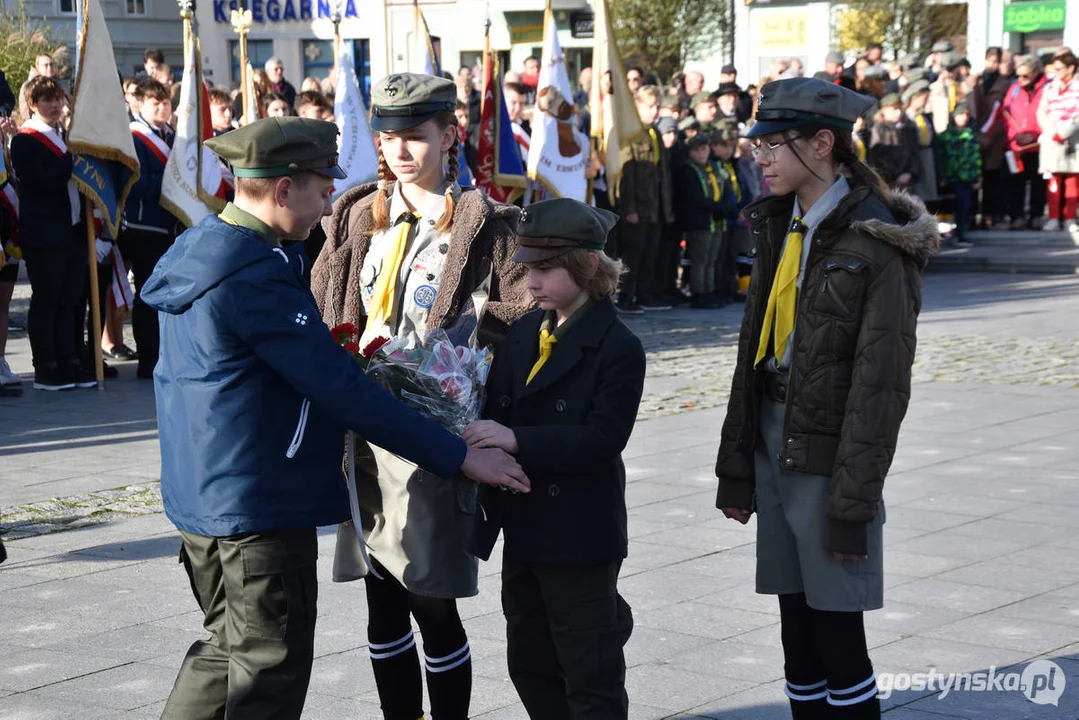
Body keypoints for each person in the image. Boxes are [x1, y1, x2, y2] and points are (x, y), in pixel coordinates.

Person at [142, 116, 527, 720]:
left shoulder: (203, 247)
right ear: (282, 189)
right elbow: (344, 391)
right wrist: (460, 456)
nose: (330, 205)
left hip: (203, 497)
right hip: (258, 509)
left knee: (225, 651)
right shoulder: (254, 276)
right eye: (323, 189)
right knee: (268, 669)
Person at [310, 73, 535, 720]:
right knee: (381, 600)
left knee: (431, 600)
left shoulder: (486, 226)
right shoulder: (356, 216)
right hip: (364, 431)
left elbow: (511, 322)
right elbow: (329, 302)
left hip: (435, 435)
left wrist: (463, 365)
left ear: (447, 136)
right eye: (388, 137)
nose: (400, 151)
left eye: (415, 136)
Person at [715, 76, 940, 720]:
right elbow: (751, 355)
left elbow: (879, 389)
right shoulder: (778, 222)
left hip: (830, 449)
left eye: (773, 145)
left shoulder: (877, 239)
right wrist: (737, 468)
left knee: (838, 634)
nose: (760, 157)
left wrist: (853, 505)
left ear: (822, 144)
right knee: (795, 630)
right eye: (757, 145)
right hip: (772, 435)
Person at [466, 197, 644, 720]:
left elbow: (602, 440)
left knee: (590, 672)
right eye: (527, 269)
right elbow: (494, 404)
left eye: (544, 270)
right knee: (530, 660)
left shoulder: (618, 345)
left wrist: (517, 440)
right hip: (524, 525)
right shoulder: (524, 330)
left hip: (579, 532)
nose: (531, 281)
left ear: (587, 267)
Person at [10, 76, 97, 391]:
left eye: (59, 99)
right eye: (47, 99)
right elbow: (41, 182)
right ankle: (45, 366)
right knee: (47, 300)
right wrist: (72, 156)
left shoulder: (65, 136)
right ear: (33, 104)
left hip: (72, 230)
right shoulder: (25, 139)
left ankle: (69, 360)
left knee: (70, 301)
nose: (56, 105)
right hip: (44, 233)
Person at [122, 77, 182, 379]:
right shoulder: (135, 137)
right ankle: (148, 356)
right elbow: (133, 184)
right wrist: (170, 179)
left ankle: (169, 352)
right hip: (145, 226)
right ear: (140, 105)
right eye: (154, 103)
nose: (161, 108)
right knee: (148, 294)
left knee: (173, 295)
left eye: (166, 102)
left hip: (174, 227)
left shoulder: (176, 136)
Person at [617, 84, 674, 313]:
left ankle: (644, 294)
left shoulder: (655, 133)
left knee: (650, 253)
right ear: (637, 105)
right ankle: (626, 296)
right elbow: (626, 174)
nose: (655, 111)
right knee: (633, 254)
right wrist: (628, 207)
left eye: (658, 106)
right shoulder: (631, 134)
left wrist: (666, 207)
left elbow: (663, 173)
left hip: (655, 205)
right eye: (650, 106)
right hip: (637, 205)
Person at [677, 133, 737, 308]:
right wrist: (720, 208)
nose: (702, 153)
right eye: (697, 149)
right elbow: (695, 197)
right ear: (691, 152)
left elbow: (726, 189)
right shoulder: (689, 170)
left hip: (717, 221)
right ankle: (699, 293)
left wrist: (726, 207)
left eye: (705, 148)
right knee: (700, 259)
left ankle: (709, 291)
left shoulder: (714, 168)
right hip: (701, 221)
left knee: (712, 259)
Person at [1003, 55, 1049, 230]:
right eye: (1018, 76)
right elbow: (1005, 115)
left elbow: (1051, 114)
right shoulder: (1014, 89)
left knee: (1038, 183)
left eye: (1025, 76)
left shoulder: (1047, 88)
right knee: (1016, 183)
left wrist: (1035, 135)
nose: (1021, 80)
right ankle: (1017, 216)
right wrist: (1015, 135)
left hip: (1039, 145)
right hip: (1016, 146)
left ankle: (1036, 215)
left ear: (1036, 73)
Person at [971, 47, 1013, 229]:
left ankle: (990, 215)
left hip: (995, 136)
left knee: (992, 178)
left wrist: (990, 135)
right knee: (972, 178)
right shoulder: (977, 81)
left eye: (996, 61)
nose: (992, 65)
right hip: (974, 134)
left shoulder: (1005, 83)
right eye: (989, 60)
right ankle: (971, 217)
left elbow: (1003, 113)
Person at [1038, 51, 1079, 232]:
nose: (1055, 72)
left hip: (1074, 140)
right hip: (1052, 141)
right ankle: (1053, 218)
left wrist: (1064, 132)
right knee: (1053, 180)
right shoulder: (1049, 88)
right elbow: (1041, 112)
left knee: (1072, 181)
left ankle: (1070, 218)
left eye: (1059, 68)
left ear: (1070, 68)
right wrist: (1052, 131)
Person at [938, 103, 982, 247]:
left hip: (966, 177)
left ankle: (960, 234)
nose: (963, 118)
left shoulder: (971, 134)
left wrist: (977, 176)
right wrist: (942, 176)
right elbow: (942, 157)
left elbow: (975, 157)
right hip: (951, 177)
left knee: (964, 206)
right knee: (950, 207)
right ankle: (950, 235)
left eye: (966, 115)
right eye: (960, 114)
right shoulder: (946, 136)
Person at [868, 93, 920, 190]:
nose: (898, 113)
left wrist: (910, 172)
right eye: (894, 109)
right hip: (888, 182)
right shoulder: (879, 129)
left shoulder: (908, 128)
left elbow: (914, 154)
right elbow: (877, 157)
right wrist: (895, 175)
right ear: (884, 110)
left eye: (900, 109)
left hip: (907, 182)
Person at [903, 80, 938, 204]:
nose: (926, 101)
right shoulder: (907, 116)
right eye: (924, 98)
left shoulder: (922, 115)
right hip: (916, 154)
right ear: (915, 97)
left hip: (926, 153)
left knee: (928, 189)